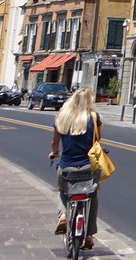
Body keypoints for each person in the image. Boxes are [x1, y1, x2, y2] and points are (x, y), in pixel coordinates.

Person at [48, 87, 101, 251]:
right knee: (92, 195)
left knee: (63, 191)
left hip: (67, 167)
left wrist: (54, 153)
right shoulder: (94, 117)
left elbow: (55, 142)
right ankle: (89, 235)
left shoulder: (62, 117)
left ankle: (63, 214)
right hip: (87, 166)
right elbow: (97, 143)